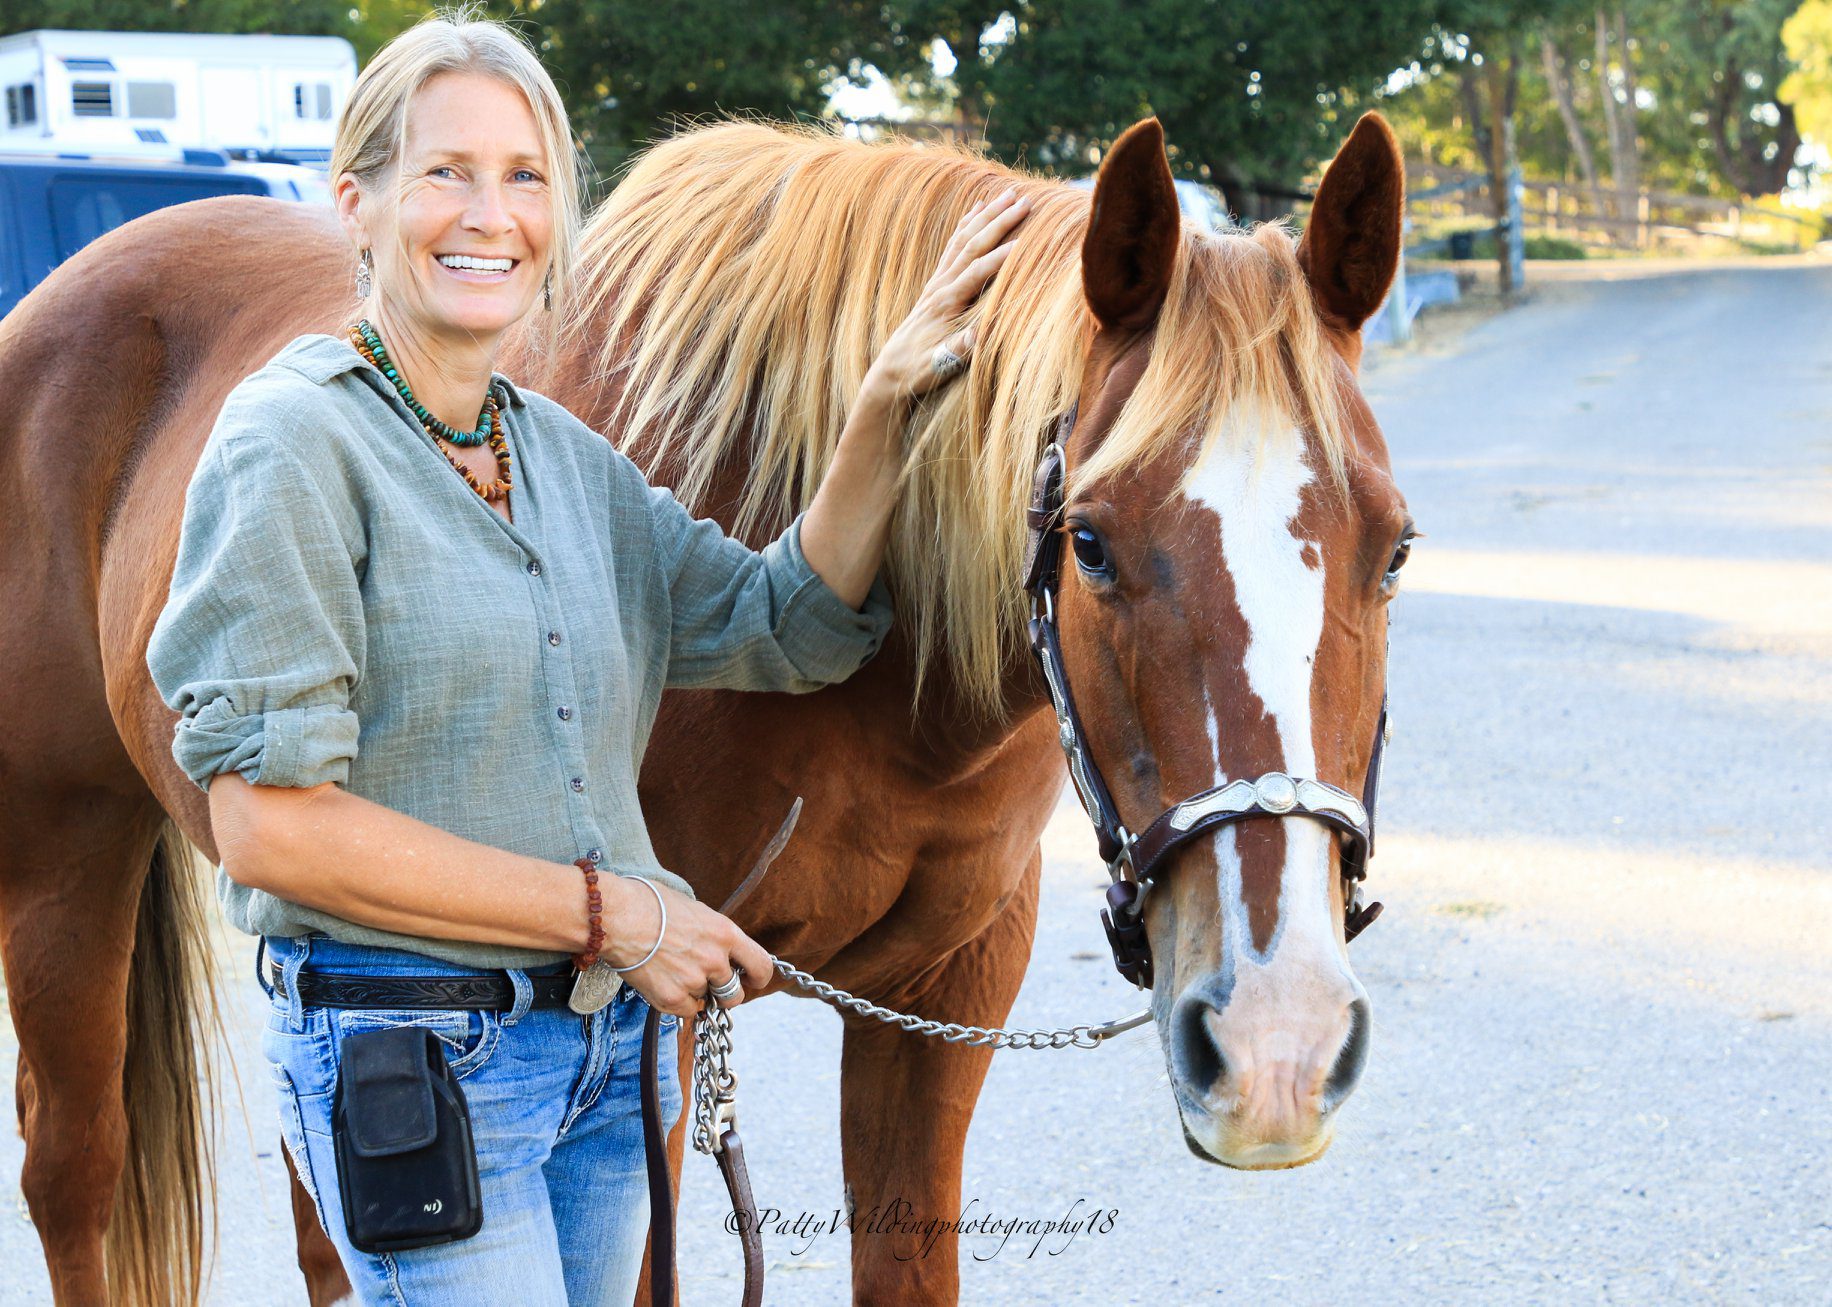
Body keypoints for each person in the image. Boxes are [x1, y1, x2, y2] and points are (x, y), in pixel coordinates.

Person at [144, 10, 1029, 1303]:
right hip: (418, 1056)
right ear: (358, 202)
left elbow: (778, 618)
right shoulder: (291, 447)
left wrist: (883, 410)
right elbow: (271, 831)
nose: (487, 214)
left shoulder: (556, 454)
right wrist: (623, 915)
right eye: (444, 172)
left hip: (607, 1066)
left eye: (525, 177)